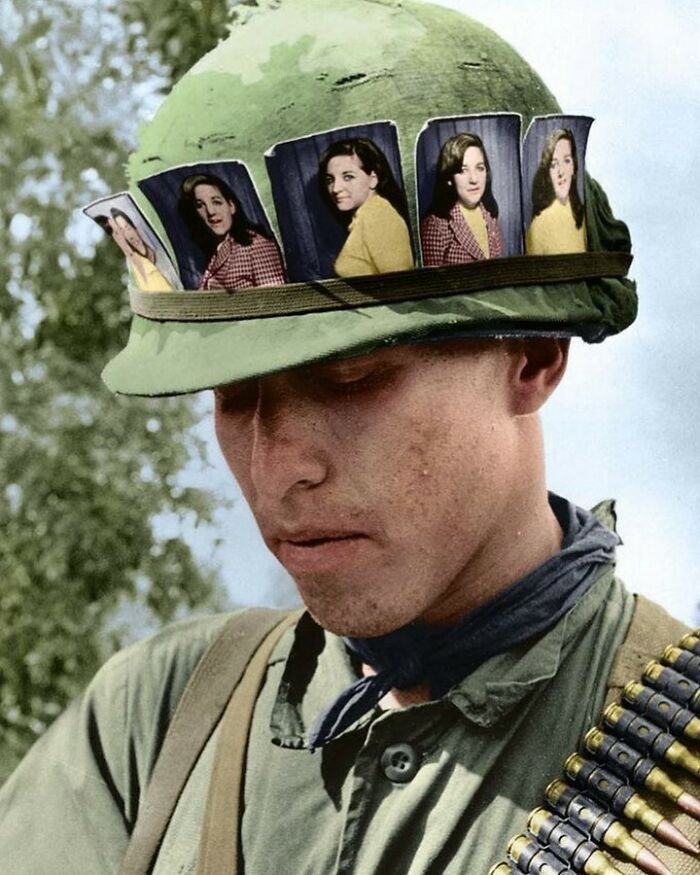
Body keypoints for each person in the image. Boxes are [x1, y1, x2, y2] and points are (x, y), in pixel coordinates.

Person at [0, 1, 696, 873]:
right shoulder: (160, 718)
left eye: (352, 379)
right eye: (233, 393)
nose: (277, 468)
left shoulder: (675, 759)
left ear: (533, 355)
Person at [319, 138, 415, 276]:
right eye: (330, 180)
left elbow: (401, 286)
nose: (335, 188)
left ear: (373, 179)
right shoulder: (366, 215)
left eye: (348, 177)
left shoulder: (380, 216)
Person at [179, 173, 286, 289]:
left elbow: (276, 300)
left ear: (231, 207)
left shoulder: (255, 245)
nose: (210, 211)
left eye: (216, 202)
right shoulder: (217, 249)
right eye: (200, 205)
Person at [421, 132, 504, 266]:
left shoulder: (491, 218)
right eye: (462, 170)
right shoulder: (435, 227)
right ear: (449, 178)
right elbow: (432, 286)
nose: (474, 179)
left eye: (479, 168)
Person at [525, 128, 587, 255]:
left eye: (567, 161)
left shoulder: (584, 216)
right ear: (548, 173)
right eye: (554, 165)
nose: (561, 172)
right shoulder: (539, 225)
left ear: (574, 167)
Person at [96, 208, 179, 292]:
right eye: (120, 233)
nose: (129, 236)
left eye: (128, 228)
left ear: (136, 229)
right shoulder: (133, 273)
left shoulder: (164, 255)